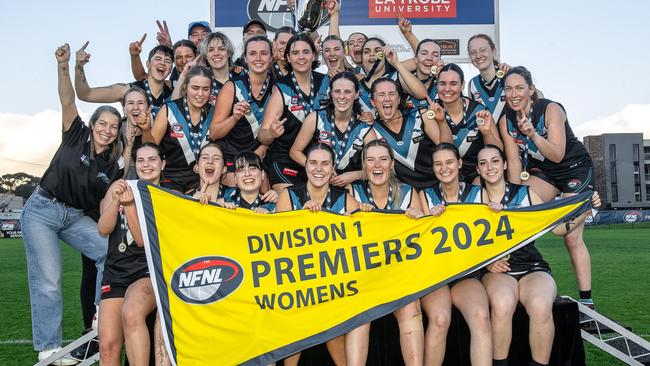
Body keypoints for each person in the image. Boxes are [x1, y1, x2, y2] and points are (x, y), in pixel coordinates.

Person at [21, 43, 123, 365]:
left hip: (73, 217)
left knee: (109, 252)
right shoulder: (75, 133)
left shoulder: (112, 163)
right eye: (102, 124)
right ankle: (49, 348)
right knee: (49, 281)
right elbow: (67, 97)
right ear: (93, 125)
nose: (107, 131)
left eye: (113, 127)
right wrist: (64, 65)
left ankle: (98, 318)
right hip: (42, 211)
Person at [476, 144, 600, 366]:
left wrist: (584, 209)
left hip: (532, 266)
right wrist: (487, 263)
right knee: (503, 303)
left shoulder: (526, 194)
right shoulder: (472, 200)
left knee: (541, 305)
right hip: (498, 270)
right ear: (478, 169)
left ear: (504, 164)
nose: (490, 167)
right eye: (483, 163)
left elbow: (558, 229)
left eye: (495, 161)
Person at [499, 66, 597, 308]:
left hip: (574, 167)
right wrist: (512, 198)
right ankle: (524, 272)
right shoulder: (506, 120)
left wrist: (532, 134)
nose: (514, 94)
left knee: (571, 237)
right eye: (509, 89)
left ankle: (587, 301)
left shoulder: (551, 109)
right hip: (545, 172)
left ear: (531, 90)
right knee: (521, 208)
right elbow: (512, 162)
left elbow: (557, 153)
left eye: (520, 88)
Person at [276, 143, 358, 366]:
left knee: (334, 331)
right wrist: (301, 220)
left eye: (325, 164)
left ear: (333, 169)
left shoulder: (347, 200)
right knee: (298, 329)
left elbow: (362, 242)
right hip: (298, 282)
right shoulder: (288, 197)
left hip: (335, 283)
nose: (318, 169)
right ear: (305, 166)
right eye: (313, 163)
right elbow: (276, 245)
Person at [349, 139, 424, 366]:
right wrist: (354, 215)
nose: (377, 165)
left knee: (411, 309)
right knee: (357, 314)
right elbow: (342, 240)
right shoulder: (352, 192)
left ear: (392, 163)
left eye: (383, 159)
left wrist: (417, 221)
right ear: (363, 165)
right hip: (365, 277)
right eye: (370, 160)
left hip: (399, 275)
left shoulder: (410, 193)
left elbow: (424, 240)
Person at [419, 143, 487, 366]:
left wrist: (495, 258)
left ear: (459, 164)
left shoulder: (478, 194)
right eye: (438, 164)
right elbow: (419, 240)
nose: (444, 168)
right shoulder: (425, 196)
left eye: (449, 162)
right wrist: (425, 217)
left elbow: (493, 236)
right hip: (436, 276)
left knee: (480, 317)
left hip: (466, 273)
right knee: (440, 319)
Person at [97, 143, 164, 366]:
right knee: (107, 348)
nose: (147, 165)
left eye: (152, 159)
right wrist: (115, 200)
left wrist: (128, 206)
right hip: (116, 271)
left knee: (131, 313)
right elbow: (103, 229)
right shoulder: (122, 187)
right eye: (141, 160)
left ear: (162, 164)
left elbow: (142, 240)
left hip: (147, 270)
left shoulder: (166, 197)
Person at [258, 33, 330, 193]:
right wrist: (271, 132)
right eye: (295, 53)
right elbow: (262, 136)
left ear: (313, 55)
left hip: (320, 161)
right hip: (286, 160)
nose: (301, 57)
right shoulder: (281, 87)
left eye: (306, 52)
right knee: (293, 201)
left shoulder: (326, 82)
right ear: (288, 58)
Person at [291, 71, 376, 187]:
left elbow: (378, 167)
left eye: (347, 92)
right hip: (317, 182)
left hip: (352, 187)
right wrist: (319, 168)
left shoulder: (364, 127)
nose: (342, 96)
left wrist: (356, 175)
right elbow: (295, 152)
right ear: (330, 93)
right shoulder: (316, 118)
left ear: (356, 94)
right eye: (337, 91)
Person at [210, 36, 275, 187]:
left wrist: (260, 152)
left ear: (271, 57)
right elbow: (214, 133)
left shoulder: (278, 87)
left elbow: (277, 131)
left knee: (269, 196)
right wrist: (234, 118)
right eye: (252, 53)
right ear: (245, 58)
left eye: (264, 53)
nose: (258, 58)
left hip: (263, 157)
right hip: (234, 158)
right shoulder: (231, 87)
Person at [141, 65, 214, 193]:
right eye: (195, 88)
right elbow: (150, 148)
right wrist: (146, 130)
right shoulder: (169, 109)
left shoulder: (214, 112)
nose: (200, 94)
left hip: (204, 179)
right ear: (186, 87)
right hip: (171, 180)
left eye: (206, 89)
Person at [370, 77, 449, 189]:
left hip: (437, 186)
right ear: (372, 101)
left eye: (392, 94)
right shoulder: (372, 130)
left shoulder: (421, 115)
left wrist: (442, 122)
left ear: (398, 99)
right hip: (405, 194)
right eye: (381, 94)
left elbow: (447, 148)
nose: (387, 98)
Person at [434, 63, 502, 183]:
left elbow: (498, 149)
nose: (447, 89)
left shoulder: (480, 111)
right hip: (442, 175)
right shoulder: (431, 112)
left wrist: (487, 133)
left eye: (453, 84)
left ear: (462, 85)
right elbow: (443, 149)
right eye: (442, 83)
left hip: (476, 176)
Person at [75, 42, 173, 118]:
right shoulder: (128, 89)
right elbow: (85, 94)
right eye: (158, 58)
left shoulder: (174, 95)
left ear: (171, 69)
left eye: (168, 61)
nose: (162, 63)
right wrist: (79, 67)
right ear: (148, 64)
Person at [357, 38, 427, 113]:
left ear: (385, 55)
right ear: (362, 58)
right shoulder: (356, 86)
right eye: (366, 52)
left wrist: (396, 63)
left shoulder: (397, 77)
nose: (371, 54)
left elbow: (423, 94)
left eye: (377, 51)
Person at [467, 34, 510, 120]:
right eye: (473, 52)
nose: (478, 56)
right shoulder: (472, 84)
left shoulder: (509, 75)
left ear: (493, 51)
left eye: (482, 50)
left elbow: (535, 98)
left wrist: (520, 76)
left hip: (512, 133)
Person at [196, 32, 236, 105]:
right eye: (211, 50)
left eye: (221, 49)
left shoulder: (242, 77)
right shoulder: (201, 82)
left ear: (229, 53)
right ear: (206, 56)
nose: (216, 53)